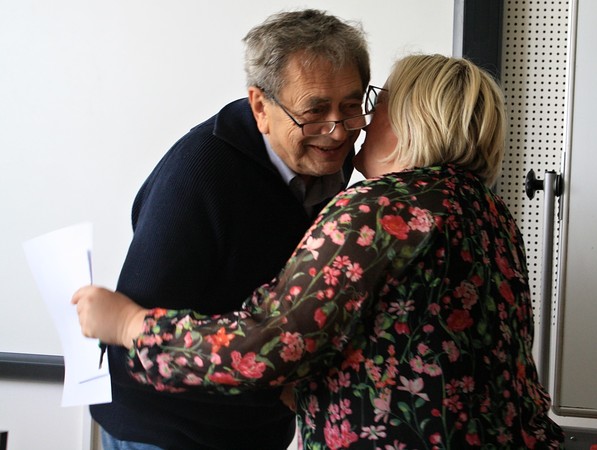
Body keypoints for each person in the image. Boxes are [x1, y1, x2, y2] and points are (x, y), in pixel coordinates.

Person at [74, 54, 565, 449]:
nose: (360, 123)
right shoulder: (488, 212)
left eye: (374, 105)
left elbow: (269, 344)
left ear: (410, 122)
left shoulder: (380, 209)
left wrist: (129, 326)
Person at [88, 9, 371, 450]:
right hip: (167, 432)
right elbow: (133, 341)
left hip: (258, 428)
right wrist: (277, 386)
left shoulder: (328, 157)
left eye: (351, 107)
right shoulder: (200, 174)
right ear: (260, 107)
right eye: (315, 111)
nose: (337, 132)